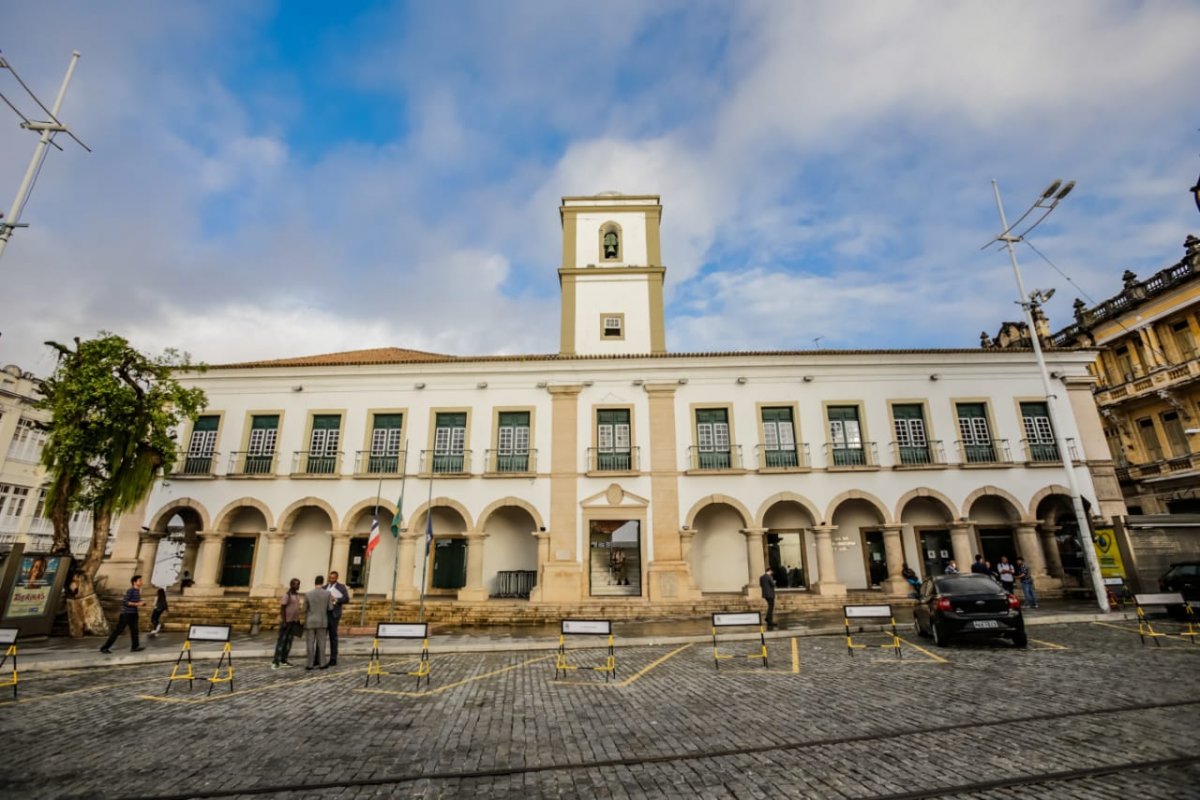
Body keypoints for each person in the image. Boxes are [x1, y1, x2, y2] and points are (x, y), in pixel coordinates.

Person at [100, 575, 146, 653]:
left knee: (135, 630)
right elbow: (125, 602)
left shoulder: (138, 591)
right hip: (126, 614)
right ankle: (105, 648)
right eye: (140, 581)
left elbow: (134, 602)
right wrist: (138, 604)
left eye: (141, 580)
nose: (141, 582)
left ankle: (135, 647)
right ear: (134, 582)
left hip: (134, 614)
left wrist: (142, 603)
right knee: (118, 631)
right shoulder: (130, 591)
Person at [303, 574, 334, 670]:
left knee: (310, 643)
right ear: (322, 582)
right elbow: (330, 608)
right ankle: (322, 663)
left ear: (315, 582)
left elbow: (304, 609)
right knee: (322, 643)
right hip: (322, 620)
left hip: (310, 621)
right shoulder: (327, 594)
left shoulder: (308, 594)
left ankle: (310, 664)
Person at [272, 578, 302, 669]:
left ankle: (283, 660)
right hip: (287, 622)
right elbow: (282, 609)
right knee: (281, 642)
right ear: (291, 585)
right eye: (296, 584)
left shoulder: (297, 595)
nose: (297, 586)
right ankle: (276, 661)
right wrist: (284, 621)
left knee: (288, 643)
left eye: (298, 584)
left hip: (293, 622)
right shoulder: (287, 595)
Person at [324, 570, 350, 667]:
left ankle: (333, 658)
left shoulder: (341, 587)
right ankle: (319, 658)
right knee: (321, 637)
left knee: (333, 637)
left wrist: (336, 599)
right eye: (330, 578)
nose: (331, 579)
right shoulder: (324, 587)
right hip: (324, 614)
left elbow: (346, 599)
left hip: (334, 614)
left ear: (336, 578)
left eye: (333, 578)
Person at [759, 565, 776, 629]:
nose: (772, 573)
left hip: (765, 594)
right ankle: (769, 621)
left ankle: (767, 618)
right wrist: (774, 582)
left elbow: (761, 585)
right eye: (771, 571)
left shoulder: (761, 577)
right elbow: (772, 584)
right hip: (770, 594)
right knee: (771, 607)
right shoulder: (769, 577)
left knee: (770, 606)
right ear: (770, 571)